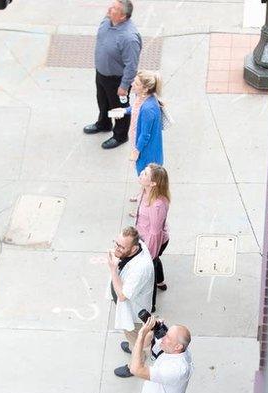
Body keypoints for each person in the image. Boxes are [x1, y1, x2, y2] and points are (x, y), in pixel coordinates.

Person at [83, 0, 141, 150]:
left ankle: (120, 135)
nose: (110, 9)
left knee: (119, 109)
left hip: (117, 80)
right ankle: (104, 124)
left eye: (115, 8)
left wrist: (124, 86)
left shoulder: (129, 38)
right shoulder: (107, 21)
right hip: (101, 74)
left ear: (123, 17)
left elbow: (131, 65)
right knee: (102, 101)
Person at [108, 226, 154, 378]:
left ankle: (135, 362)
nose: (117, 249)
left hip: (134, 313)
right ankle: (132, 346)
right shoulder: (138, 246)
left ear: (134, 248)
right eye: (117, 244)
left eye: (122, 247)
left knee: (136, 337)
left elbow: (122, 295)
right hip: (130, 307)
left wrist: (113, 269)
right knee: (130, 335)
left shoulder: (141, 268)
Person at [130, 163, 171, 313]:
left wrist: (149, 255)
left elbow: (155, 233)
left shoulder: (157, 205)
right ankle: (161, 282)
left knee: (149, 273)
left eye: (145, 174)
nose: (141, 173)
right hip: (145, 237)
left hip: (152, 242)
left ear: (153, 183)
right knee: (155, 263)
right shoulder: (145, 191)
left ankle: (150, 304)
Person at [113, 70, 166, 174]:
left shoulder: (148, 109)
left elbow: (145, 135)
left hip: (147, 154)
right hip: (143, 148)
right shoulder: (143, 97)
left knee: (146, 177)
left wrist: (136, 152)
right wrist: (124, 111)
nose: (132, 84)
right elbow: (136, 108)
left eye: (136, 83)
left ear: (145, 89)